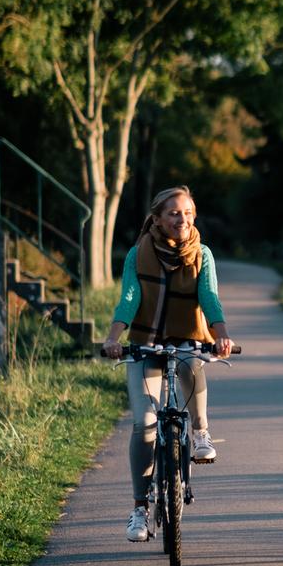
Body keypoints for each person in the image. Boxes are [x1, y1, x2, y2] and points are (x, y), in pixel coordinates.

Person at [103, 186, 235, 541]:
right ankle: (139, 509)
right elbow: (129, 298)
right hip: (145, 344)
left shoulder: (202, 254)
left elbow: (209, 296)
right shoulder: (138, 253)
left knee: (192, 362)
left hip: (187, 339)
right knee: (145, 423)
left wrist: (221, 335)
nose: (183, 219)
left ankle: (200, 432)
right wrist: (114, 339)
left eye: (189, 212)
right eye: (175, 213)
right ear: (158, 219)